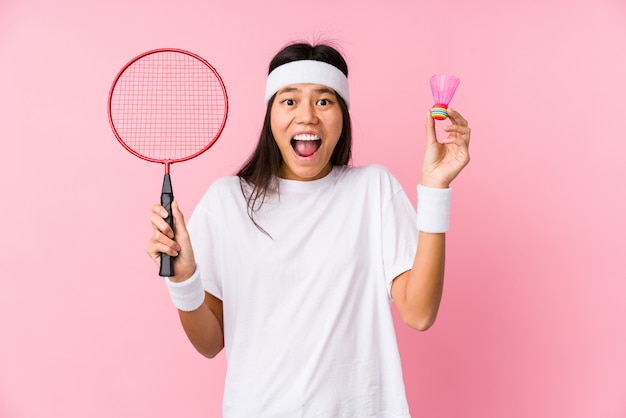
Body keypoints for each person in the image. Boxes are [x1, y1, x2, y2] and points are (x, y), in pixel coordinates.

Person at [148, 41, 470, 417]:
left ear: (342, 116)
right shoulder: (227, 201)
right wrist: (183, 280)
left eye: (323, 101)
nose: (307, 116)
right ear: (270, 117)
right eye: (289, 101)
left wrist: (435, 189)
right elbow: (209, 342)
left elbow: (419, 313)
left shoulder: (372, 190)